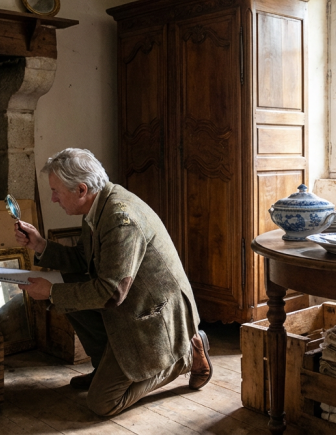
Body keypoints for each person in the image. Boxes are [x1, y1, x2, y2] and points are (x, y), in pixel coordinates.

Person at [14, 148, 212, 416]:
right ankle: (103, 365)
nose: (53, 199)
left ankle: (184, 355)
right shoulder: (99, 203)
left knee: (102, 403)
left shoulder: (120, 218)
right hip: (132, 303)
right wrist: (40, 244)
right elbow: (85, 259)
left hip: (154, 316)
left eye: (56, 191)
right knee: (68, 284)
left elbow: (110, 293)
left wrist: (50, 291)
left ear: (81, 189)